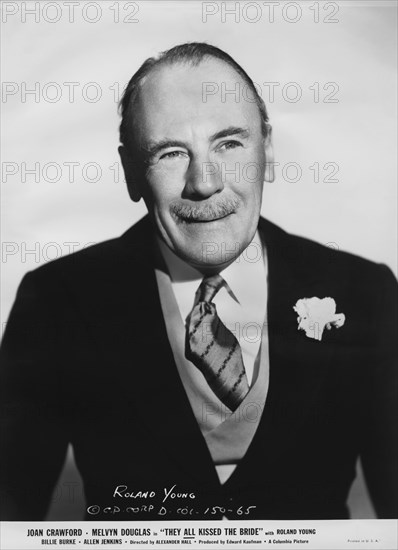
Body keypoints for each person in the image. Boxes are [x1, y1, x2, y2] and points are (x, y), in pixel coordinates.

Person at [0, 42, 397, 521]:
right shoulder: (57, 301)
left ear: (268, 151)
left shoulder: (365, 293)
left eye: (229, 143)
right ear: (130, 172)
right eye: (170, 153)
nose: (204, 182)